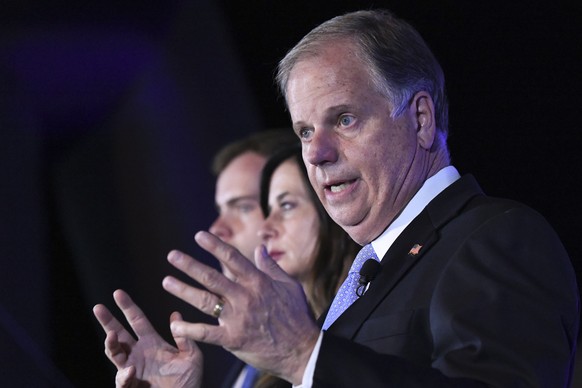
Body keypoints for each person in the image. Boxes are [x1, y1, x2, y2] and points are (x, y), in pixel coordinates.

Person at [160, 9, 580, 387]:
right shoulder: (362, 281)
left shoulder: (496, 236)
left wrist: (304, 354)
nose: (315, 153)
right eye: (304, 131)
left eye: (344, 119)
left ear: (420, 118)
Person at [93, 129, 299, 387]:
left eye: (243, 207)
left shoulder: (337, 339)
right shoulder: (247, 364)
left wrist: (299, 358)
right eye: (221, 209)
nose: (217, 228)